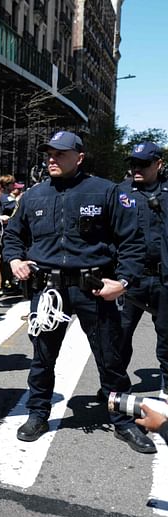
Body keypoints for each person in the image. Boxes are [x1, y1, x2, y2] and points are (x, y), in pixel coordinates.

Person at [3, 130, 155, 454]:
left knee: (111, 360)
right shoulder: (33, 196)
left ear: (79, 157)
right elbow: (13, 235)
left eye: (59, 154)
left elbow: (132, 241)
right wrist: (15, 258)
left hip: (94, 290)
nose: (52, 159)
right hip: (48, 292)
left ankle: (124, 422)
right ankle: (38, 414)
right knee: (42, 359)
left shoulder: (105, 191)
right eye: (48, 154)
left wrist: (124, 282)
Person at [117, 141, 168, 398]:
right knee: (119, 336)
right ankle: (115, 385)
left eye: (144, 164)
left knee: (167, 338)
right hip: (130, 278)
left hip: (163, 278)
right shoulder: (120, 192)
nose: (137, 168)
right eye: (133, 163)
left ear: (159, 164)